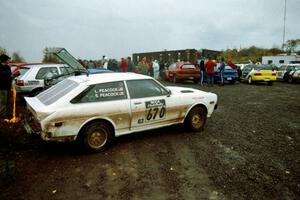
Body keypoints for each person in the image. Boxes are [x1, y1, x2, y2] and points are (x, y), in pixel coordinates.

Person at [0, 54, 13, 119]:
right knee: (3, 102)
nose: (9, 60)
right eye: (8, 59)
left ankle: (8, 114)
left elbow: (10, 76)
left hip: (8, 87)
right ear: (4, 60)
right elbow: (2, 78)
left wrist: (13, 76)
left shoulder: (8, 67)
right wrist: (8, 77)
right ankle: (1, 116)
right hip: (2, 88)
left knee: (8, 102)